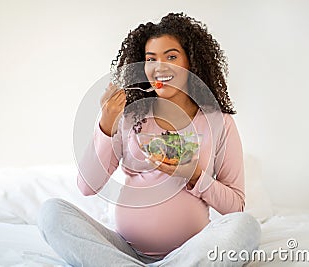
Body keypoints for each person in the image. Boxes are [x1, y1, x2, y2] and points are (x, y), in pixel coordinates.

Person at [38, 12, 261, 266]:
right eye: (150, 59)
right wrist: (106, 123)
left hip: (191, 250)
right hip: (123, 251)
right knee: (51, 213)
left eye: (172, 56)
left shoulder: (219, 123)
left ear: (192, 63)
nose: (160, 67)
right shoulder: (129, 117)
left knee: (247, 226)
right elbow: (87, 186)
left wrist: (196, 176)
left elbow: (235, 207)